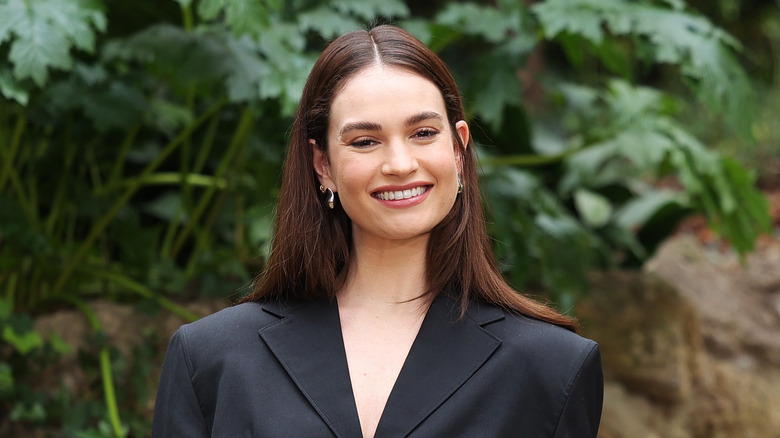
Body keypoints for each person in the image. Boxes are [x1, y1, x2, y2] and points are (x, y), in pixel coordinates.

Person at [152, 25, 603, 438]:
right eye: (365, 141)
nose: (400, 164)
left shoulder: (552, 368)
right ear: (322, 165)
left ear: (459, 149)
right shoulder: (210, 359)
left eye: (424, 133)